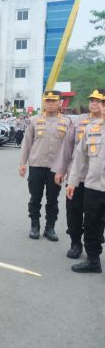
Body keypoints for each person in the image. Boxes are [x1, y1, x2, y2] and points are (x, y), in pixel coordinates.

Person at [53, 89, 104, 258]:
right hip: (77, 176)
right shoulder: (79, 122)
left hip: (98, 180)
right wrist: (60, 170)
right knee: (73, 211)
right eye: (92, 100)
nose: (94, 103)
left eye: (98, 100)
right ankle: (75, 243)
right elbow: (67, 147)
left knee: (96, 216)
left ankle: (94, 244)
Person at [19, 90, 72, 241]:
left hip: (56, 169)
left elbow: (69, 149)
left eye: (53, 100)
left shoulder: (67, 122)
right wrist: (23, 163)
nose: (50, 103)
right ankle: (34, 226)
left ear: (60, 103)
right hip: (36, 165)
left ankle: (50, 228)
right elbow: (26, 143)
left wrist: (67, 169)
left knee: (53, 199)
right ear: (44, 102)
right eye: (47, 100)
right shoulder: (34, 120)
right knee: (35, 198)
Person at [65, 92, 105, 274]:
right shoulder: (91, 128)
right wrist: (72, 182)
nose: (101, 106)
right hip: (93, 187)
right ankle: (93, 260)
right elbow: (80, 158)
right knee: (91, 224)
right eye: (100, 103)